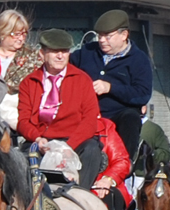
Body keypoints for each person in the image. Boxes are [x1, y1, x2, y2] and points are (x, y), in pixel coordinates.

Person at [15, 29, 105, 181]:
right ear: (42, 54)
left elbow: (90, 120)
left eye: (64, 51)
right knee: (23, 158)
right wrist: (38, 139)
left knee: (92, 150)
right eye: (54, 51)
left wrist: (68, 146)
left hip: (74, 141)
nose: (60, 56)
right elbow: (23, 121)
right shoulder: (29, 83)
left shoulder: (82, 80)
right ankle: (32, 200)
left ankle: (80, 195)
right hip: (42, 140)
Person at [69, 10, 152, 155]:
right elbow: (66, 69)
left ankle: (124, 164)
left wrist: (110, 88)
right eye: (100, 35)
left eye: (108, 36)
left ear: (124, 35)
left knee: (131, 118)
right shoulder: (87, 52)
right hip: (85, 112)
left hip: (118, 115)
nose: (101, 40)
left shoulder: (139, 60)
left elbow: (142, 94)